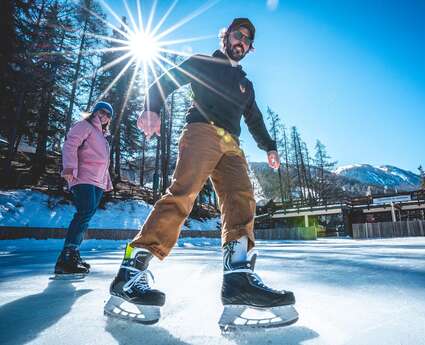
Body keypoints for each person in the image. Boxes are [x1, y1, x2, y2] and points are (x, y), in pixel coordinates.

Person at [104, 18, 298, 329]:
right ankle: (130, 273)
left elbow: (255, 120)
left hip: (231, 145)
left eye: (248, 40)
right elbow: (164, 80)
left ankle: (238, 279)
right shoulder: (203, 62)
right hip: (201, 131)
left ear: (250, 47)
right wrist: (152, 107)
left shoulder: (246, 85)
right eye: (238, 35)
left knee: (242, 200)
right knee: (183, 194)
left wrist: (270, 146)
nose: (242, 42)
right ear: (226, 37)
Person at [54, 101, 113, 278]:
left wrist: (106, 182)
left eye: (108, 115)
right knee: (84, 211)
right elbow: (70, 145)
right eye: (101, 112)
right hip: (83, 176)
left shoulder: (103, 137)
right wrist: (69, 168)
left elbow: (104, 163)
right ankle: (67, 257)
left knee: (86, 216)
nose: (104, 116)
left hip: (97, 182)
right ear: (94, 112)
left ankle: (72, 254)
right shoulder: (84, 126)